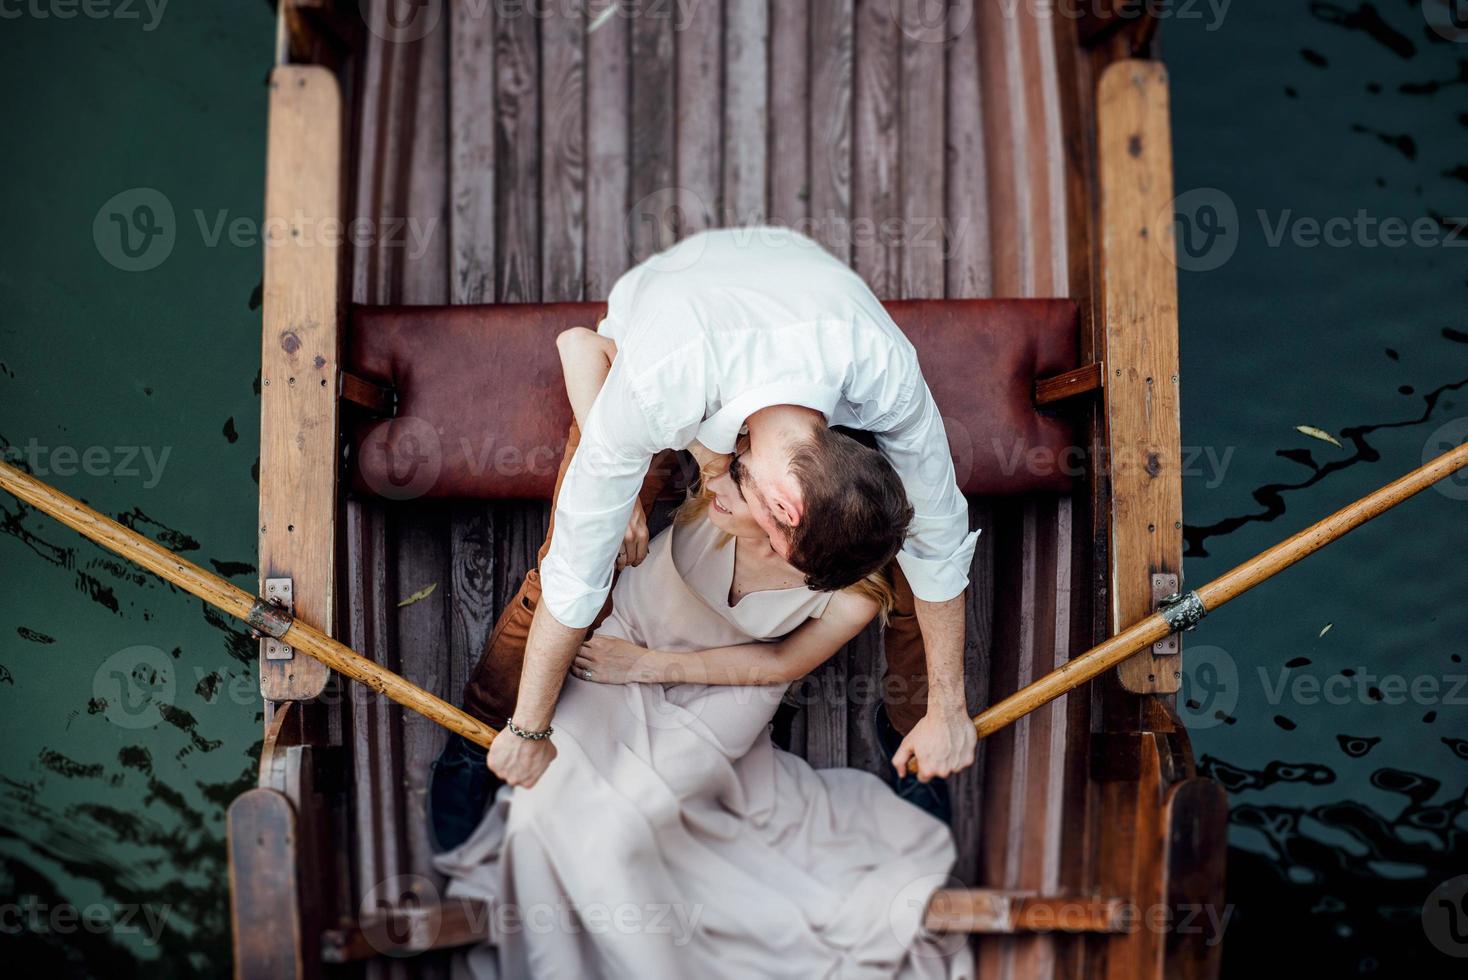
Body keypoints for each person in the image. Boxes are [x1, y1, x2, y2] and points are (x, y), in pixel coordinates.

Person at [431, 325, 974, 979]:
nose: (720, 478)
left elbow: (777, 666)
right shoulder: (720, 476)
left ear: (787, 534)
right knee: (540, 807)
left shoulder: (851, 595)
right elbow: (580, 344)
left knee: (631, 831)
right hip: (622, 644)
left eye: (744, 488)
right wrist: (616, 486)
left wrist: (654, 669)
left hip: (730, 691)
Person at [430, 227, 981, 849]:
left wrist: (949, 710)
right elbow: (572, 575)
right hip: (676, 328)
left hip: (801, 298)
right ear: (781, 507)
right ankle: (478, 734)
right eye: (777, 546)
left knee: (905, 563)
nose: (768, 559)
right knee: (574, 554)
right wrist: (529, 732)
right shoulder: (659, 385)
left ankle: (915, 726)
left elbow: (940, 541)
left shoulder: (885, 376)